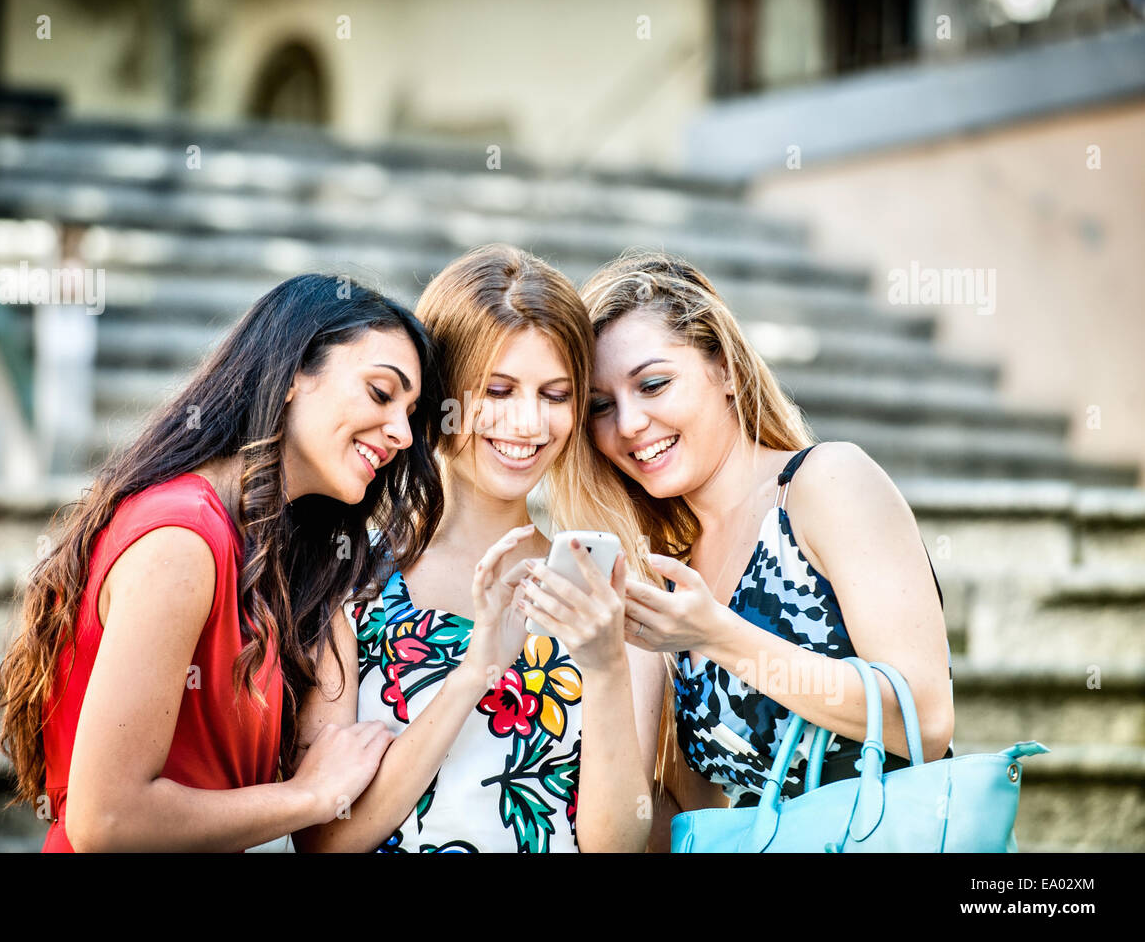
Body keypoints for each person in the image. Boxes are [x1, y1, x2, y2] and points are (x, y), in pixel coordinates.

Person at [0, 274, 446, 852]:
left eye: (411, 413)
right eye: (382, 394)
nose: (403, 434)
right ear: (291, 376)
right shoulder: (183, 536)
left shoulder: (267, 548)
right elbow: (107, 819)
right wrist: (308, 796)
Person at [294, 244, 666, 853]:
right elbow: (322, 842)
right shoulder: (351, 582)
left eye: (554, 395)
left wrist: (603, 667)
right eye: (497, 390)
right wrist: (475, 673)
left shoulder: (610, 593)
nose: (527, 424)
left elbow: (617, 846)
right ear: (440, 397)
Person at [579, 252, 954, 840]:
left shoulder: (824, 484)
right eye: (601, 406)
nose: (628, 424)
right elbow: (696, 810)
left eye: (653, 384)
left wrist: (713, 635)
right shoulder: (669, 572)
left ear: (725, 369)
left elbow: (924, 719)